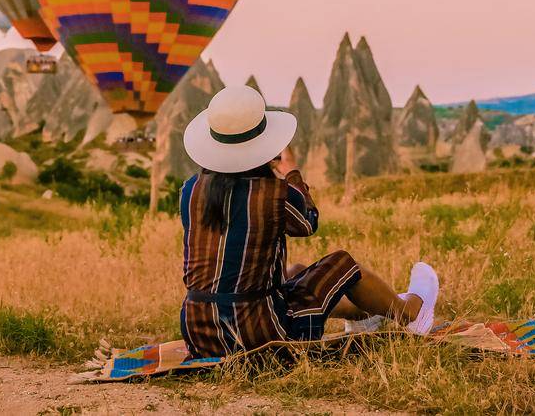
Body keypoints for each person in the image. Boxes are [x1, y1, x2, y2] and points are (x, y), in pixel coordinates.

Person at [179, 85, 439, 358]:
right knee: (343, 264)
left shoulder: (190, 190)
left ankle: (366, 315)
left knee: (294, 271)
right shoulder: (274, 194)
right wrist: (292, 174)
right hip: (260, 334)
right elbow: (308, 222)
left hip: (199, 333)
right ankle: (410, 314)